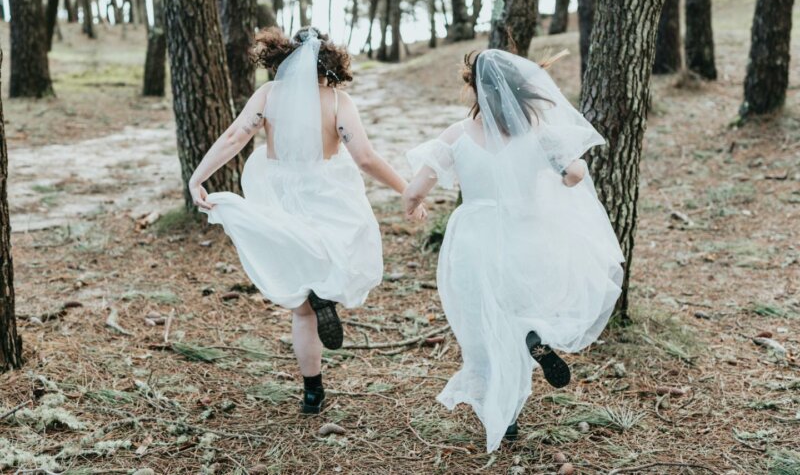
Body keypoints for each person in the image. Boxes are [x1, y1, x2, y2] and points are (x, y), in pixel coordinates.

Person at [189, 26, 425, 414]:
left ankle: (312, 392)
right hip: (327, 192)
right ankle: (326, 293)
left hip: (280, 194)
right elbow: (365, 158)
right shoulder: (337, 101)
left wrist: (198, 177)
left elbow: (235, 137)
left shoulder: (268, 96)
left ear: (284, 58)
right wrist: (407, 191)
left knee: (300, 307)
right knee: (337, 251)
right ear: (328, 61)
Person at [402, 49, 624, 452]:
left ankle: (506, 418)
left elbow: (415, 188)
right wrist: (557, 178)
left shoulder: (457, 134)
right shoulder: (536, 131)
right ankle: (533, 336)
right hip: (525, 232)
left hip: (475, 237)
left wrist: (414, 205)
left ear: (474, 88)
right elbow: (575, 173)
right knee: (520, 309)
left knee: (484, 324)